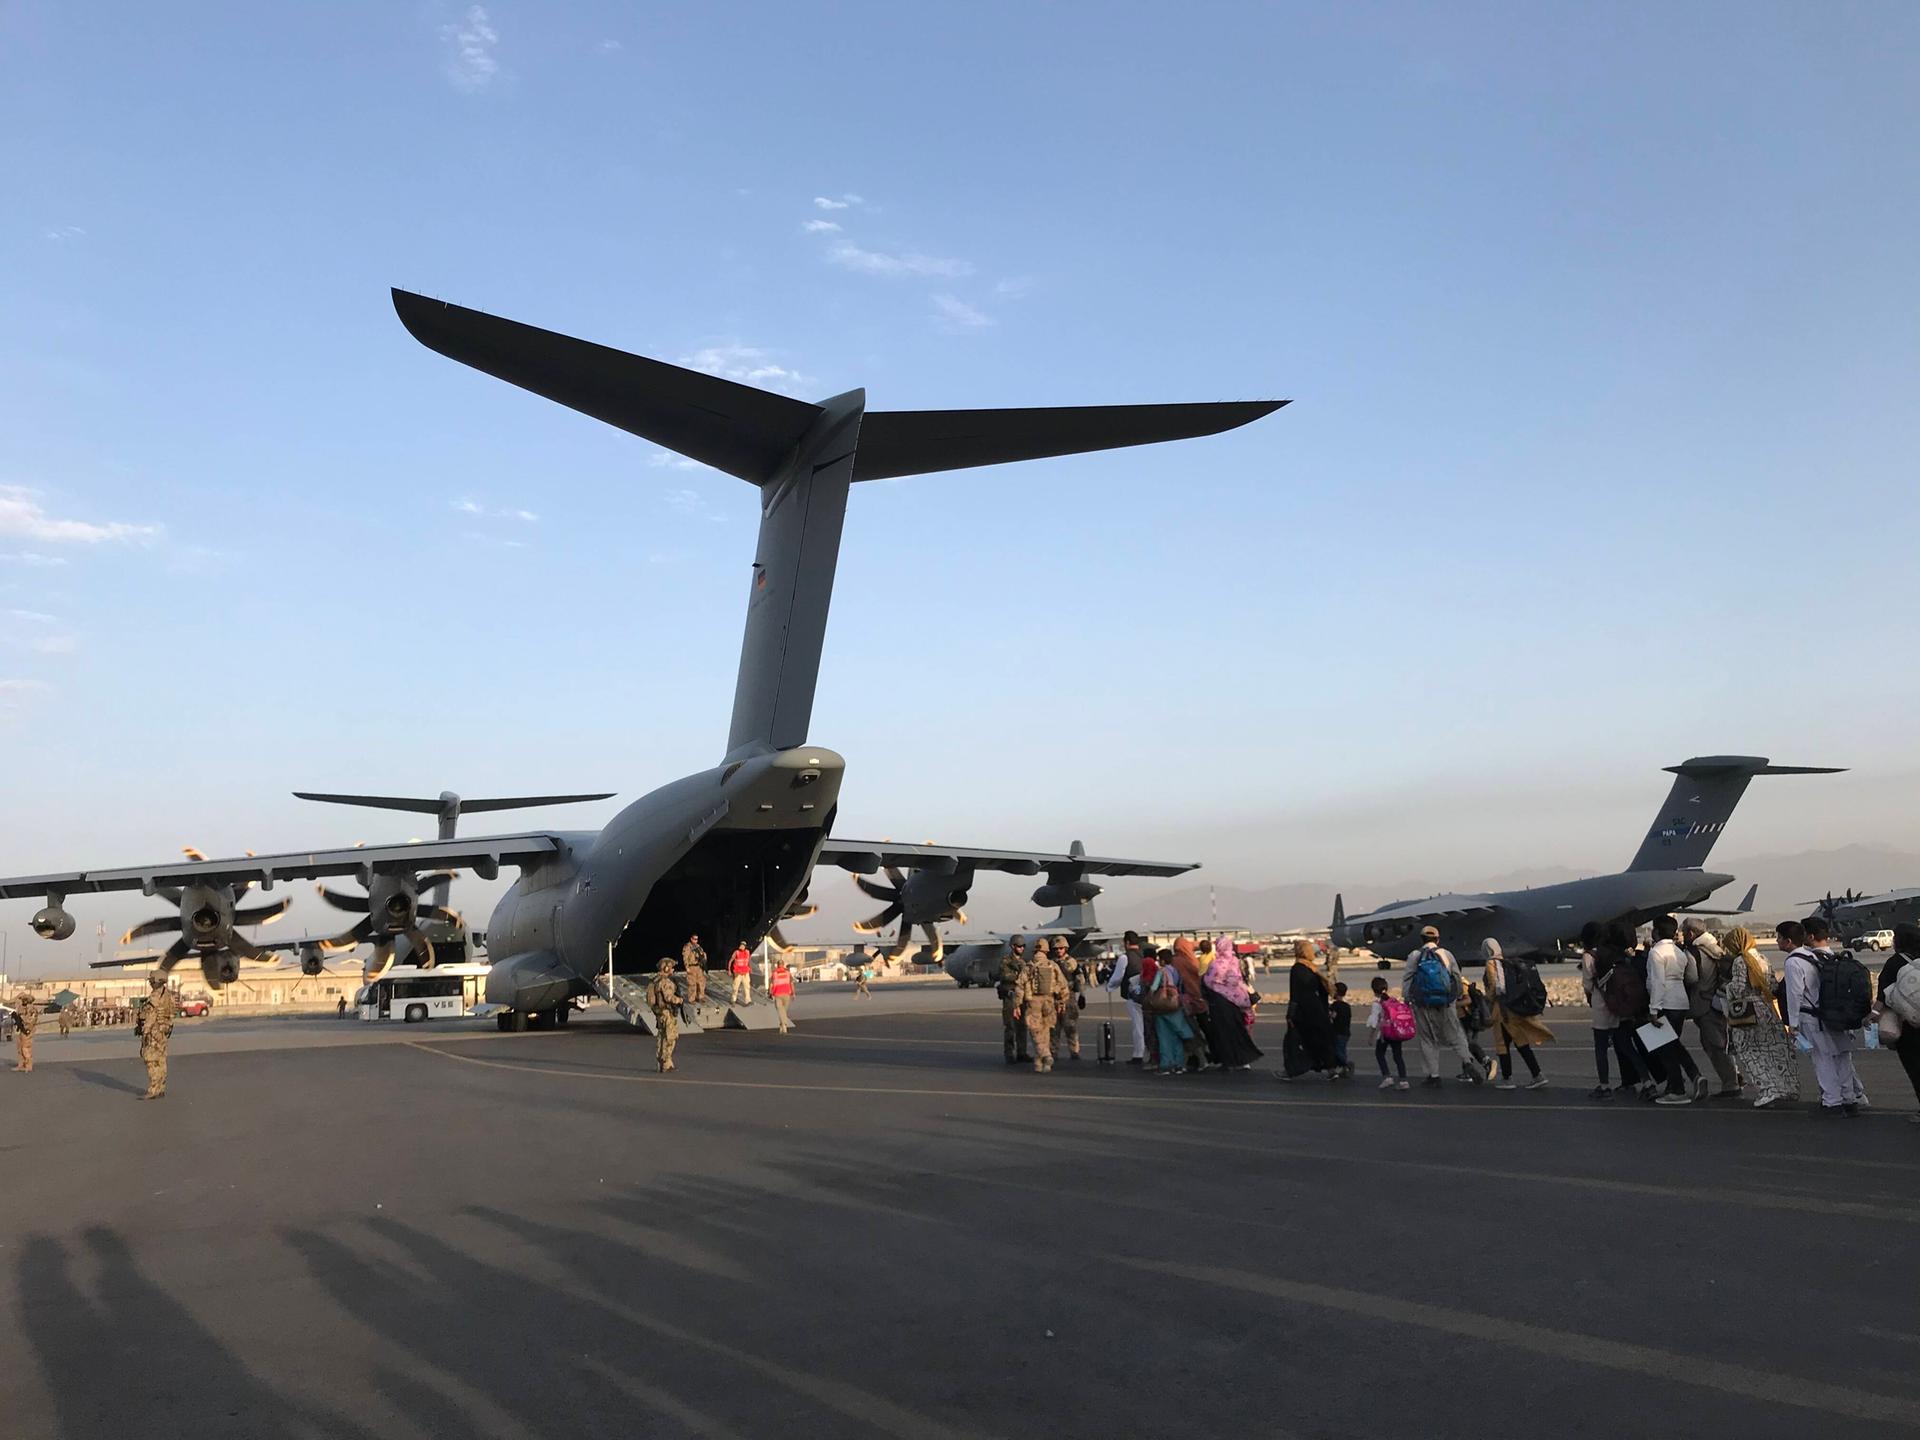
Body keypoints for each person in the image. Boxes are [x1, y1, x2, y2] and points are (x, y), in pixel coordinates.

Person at [1782, 917, 1866, 1115]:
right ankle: (1849, 1099)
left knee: (1823, 1058)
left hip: (1814, 1016)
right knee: (1843, 1057)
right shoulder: (1831, 959)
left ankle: (1831, 1101)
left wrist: (1792, 1022)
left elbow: (1794, 993)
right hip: (1838, 1015)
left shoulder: (1798, 960)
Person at [1721, 925, 1798, 1109]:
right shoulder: (1762, 958)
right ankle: (1784, 1087)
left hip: (1748, 1013)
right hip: (1766, 1009)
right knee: (1772, 1052)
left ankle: (1768, 1090)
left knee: (1752, 1054)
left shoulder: (1741, 961)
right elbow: (1772, 987)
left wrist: (1727, 986)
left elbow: (1738, 989)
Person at [1401, 927, 1482, 1086]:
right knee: (1456, 1035)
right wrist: (1456, 997)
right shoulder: (1446, 954)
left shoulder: (1415, 956)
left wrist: (1407, 999)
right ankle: (1467, 1061)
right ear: (1438, 939)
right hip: (1445, 1002)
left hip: (1423, 1003)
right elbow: (1456, 977)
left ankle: (1434, 1075)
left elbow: (1408, 978)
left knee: (1428, 1039)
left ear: (1421, 939)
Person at [1645, 915, 1706, 1104]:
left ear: (1656, 931)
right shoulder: (1679, 952)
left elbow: (1657, 982)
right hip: (1680, 1002)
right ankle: (1693, 1075)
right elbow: (1690, 977)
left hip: (1665, 1003)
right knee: (1673, 1044)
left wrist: (1653, 1009)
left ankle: (1677, 1089)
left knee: (1665, 1048)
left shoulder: (1656, 952)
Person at [1579, 922, 1643, 1099]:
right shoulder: (1613, 952)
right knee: (1627, 1046)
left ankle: (1604, 1085)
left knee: (1601, 1048)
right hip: (1619, 1003)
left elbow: (1588, 984)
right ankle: (1647, 1081)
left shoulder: (1588, 956)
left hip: (1602, 1004)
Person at [1681, 917, 1742, 1098]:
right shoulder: (1715, 948)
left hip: (1704, 1003)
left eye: (1684, 932)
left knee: (1715, 1045)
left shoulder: (1694, 952)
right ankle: (1733, 1078)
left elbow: (1691, 978)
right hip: (1719, 1001)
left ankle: (1731, 1084)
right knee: (1719, 1042)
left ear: (1690, 933)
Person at [1481, 938, 1551, 1090]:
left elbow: (1495, 986)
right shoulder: (1507, 963)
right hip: (1513, 1009)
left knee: (1501, 1044)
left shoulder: (1491, 963)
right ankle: (1537, 1074)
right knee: (1521, 1043)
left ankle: (1507, 1078)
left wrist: (1487, 999)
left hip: (1501, 1011)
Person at [1872, 922, 1920, 1121]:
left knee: (1915, 1067)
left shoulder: (1894, 963)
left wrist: (1872, 1016)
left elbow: (1883, 996)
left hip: (1908, 1025)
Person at [1202, 932, 1263, 1070]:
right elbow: (1238, 979)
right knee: (1239, 1030)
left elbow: (1210, 981)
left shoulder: (1216, 963)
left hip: (1221, 1003)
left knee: (1223, 1033)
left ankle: (1227, 1060)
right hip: (1238, 1000)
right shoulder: (1235, 961)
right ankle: (1244, 1059)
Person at [1012, 941, 1067, 1073]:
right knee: (1045, 1030)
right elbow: (1063, 985)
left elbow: (1019, 986)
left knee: (1035, 1030)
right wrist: (1061, 1002)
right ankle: (1040, 1064)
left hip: (1034, 1002)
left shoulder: (1029, 966)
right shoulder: (1053, 965)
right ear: (1047, 951)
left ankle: (1045, 1055)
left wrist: (1017, 1005)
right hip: (1049, 1001)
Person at [1287, 939, 1338, 1078]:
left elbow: (1295, 994)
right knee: (1321, 1040)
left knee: (1295, 1041)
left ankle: (1292, 1070)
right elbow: (1323, 992)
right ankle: (1331, 1069)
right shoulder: (1313, 968)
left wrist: (1290, 1014)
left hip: (1303, 1011)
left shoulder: (1297, 968)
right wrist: (1325, 1009)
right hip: (1317, 1010)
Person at [1169, 937, 1216, 1066]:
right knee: (1206, 1028)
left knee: (1189, 1030)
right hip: (1199, 998)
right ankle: (1213, 1052)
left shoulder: (1175, 961)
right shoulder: (1192, 960)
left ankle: (1196, 1056)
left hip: (1184, 1000)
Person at [1145, 954, 1194, 1077]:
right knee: (1177, 1035)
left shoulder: (1162, 971)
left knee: (1164, 1036)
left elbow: (1154, 987)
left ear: (1162, 960)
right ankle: (1179, 1064)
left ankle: (1166, 1065)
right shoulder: (1176, 971)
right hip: (1176, 1003)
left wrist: (1149, 998)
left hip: (1163, 1006)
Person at [1106, 932, 1148, 1066]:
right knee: (1147, 1025)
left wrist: (1110, 987)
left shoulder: (1125, 957)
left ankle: (1138, 1054)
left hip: (1132, 995)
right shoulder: (1143, 956)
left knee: (1137, 1025)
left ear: (1127, 942)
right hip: (1146, 993)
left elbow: (1118, 976)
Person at [135, 974, 177, 1098]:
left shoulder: (155, 996)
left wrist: (145, 1032)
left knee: (151, 1060)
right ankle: (161, 1087)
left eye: (152, 981)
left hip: (154, 1032)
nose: (150, 983)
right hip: (164, 1030)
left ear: (157, 981)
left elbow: (151, 1015)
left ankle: (153, 1090)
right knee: (161, 1059)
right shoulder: (167, 995)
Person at [1366, 976, 1411, 1090]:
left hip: (1385, 1033)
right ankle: (1403, 1080)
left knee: (1380, 1054)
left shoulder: (1377, 1004)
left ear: (1373, 990)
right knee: (1398, 1056)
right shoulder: (1393, 1001)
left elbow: (1374, 1021)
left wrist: (1371, 1036)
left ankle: (1387, 1077)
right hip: (1396, 1032)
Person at [997, 937, 1031, 1065]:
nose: (1021, 948)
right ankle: (1009, 1053)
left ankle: (1022, 1052)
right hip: (1010, 997)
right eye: (1019, 946)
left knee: (1022, 1026)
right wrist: (1020, 977)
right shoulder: (1006, 961)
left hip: (1021, 997)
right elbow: (1005, 976)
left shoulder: (1023, 962)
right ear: (1012, 946)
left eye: (1023, 946)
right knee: (1010, 1026)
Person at [1050, 936, 1083, 1061]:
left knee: (1071, 1027)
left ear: (1066, 948)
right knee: (1054, 1028)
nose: (1059, 951)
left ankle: (1074, 1051)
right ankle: (1053, 1051)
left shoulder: (1072, 962)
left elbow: (1079, 978)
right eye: (1056, 949)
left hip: (1069, 997)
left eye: (1061, 948)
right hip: (1054, 998)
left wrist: (1082, 995)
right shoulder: (1051, 963)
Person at [1458, 982, 1497, 1081]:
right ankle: (1467, 1072)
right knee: (1467, 1045)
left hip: (1467, 1019)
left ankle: (1487, 1062)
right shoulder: (1460, 981)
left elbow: (1468, 1000)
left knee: (1468, 1044)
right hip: (1468, 1018)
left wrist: (1453, 1004)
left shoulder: (1461, 983)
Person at [1329, 982, 1353, 1076]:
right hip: (1346, 1031)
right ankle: (1343, 1069)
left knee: (1337, 1051)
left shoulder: (1335, 1005)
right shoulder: (1347, 1006)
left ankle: (1346, 1065)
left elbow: (1333, 1016)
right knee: (1342, 1049)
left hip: (1338, 1031)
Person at [11, 990, 38, 1072]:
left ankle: (28, 1065)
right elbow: (19, 1018)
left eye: (24, 999)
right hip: (21, 1030)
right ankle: (21, 1065)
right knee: (19, 1048)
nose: (23, 1001)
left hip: (27, 1030)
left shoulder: (32, 1009)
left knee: (25, 1048)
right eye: (22, 999)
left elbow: (32, 1020)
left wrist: (27, 1029)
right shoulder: (21, 1008)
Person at [769, 958, 796, 1033]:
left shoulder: (774, 973)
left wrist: (770, 993)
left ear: (777, 965)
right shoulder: (788, 973)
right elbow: (791, 984)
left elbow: (771, 984)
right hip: (786, 994)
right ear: (783, 965)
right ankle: (784, 1025)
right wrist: (793, 993)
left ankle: (783, 1024)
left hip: (777, 994)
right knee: (784, 1010)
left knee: (781, 1010)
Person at [682, 939, 709, 1006]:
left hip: (699, 967)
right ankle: (691, 999)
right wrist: (687, 967)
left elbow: (702, 955)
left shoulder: (698, 947)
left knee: (701, 982)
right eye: (694, 939)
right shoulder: (687, 947)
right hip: (691, 967)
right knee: (692, 983)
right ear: (691, 939)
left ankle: (700, 997)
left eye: (697, 939)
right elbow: (685, 957)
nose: (696, 940)